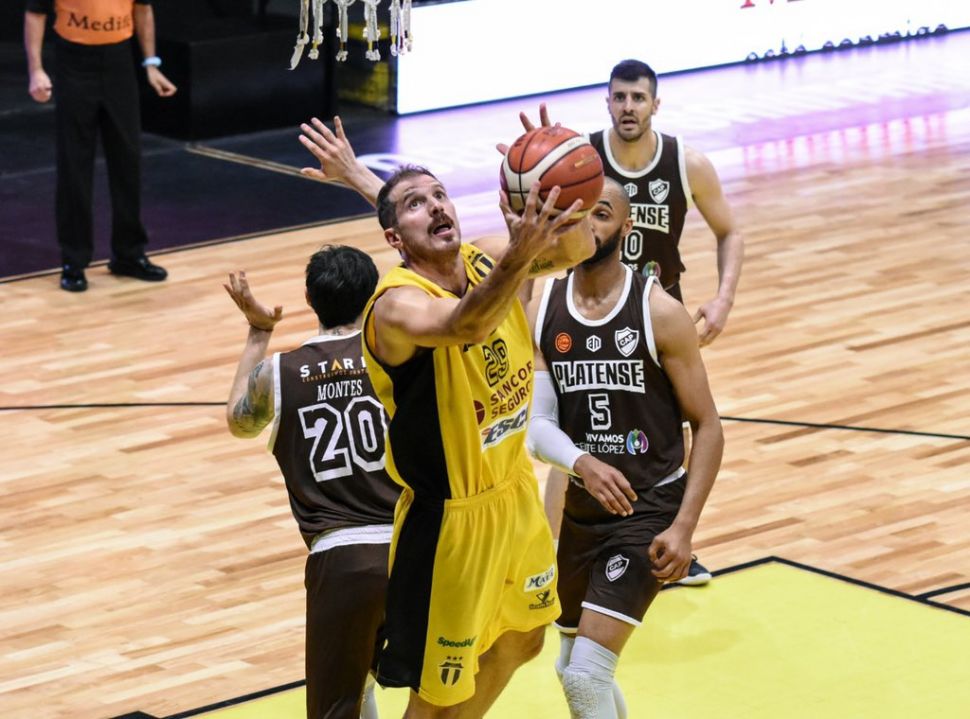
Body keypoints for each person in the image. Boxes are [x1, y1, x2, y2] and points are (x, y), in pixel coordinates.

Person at [299, 116, 595, 718]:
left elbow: (582, 246)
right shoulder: (396, 306)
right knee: (437, 695)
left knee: (525, 638)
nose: (436, 206)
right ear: (393, 237)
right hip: (449, 524)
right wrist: (522, 252)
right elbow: (466, 324)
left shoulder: (486, 260)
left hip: (514, 492)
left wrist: (555, 185)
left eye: (441, 195)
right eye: (417, 203)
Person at [526, 177, 724, 718]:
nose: (589, 224)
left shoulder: (659, 312)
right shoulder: (544, 309)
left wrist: (684, 527)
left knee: (586, 676)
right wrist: (582, 464)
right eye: (580, 213)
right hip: (582, 510)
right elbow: (537, 426)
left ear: (626, 228)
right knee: (569, 666)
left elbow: (708, 425)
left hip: (648, 508)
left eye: (603, 213)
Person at [539, 58, 742, 584]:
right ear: (607, 102)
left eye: (638, 97)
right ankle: (549, 552)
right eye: (620, 97)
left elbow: (730, 230)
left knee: (673, 430)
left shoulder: (686, 163)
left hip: (654, 311)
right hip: (584, 309)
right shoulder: (582, 161)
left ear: (656, 103)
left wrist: (722, 299)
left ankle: (671, 542)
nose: (628, 107)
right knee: (573, 431)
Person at [224, 246, 401, 719]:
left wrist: (259, 331)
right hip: (417, 547)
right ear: (373, 296)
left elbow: (239, 422)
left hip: (343, 560)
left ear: (309, 298)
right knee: (422, 696)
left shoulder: (278, 374)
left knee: (335, 706)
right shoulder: (399, 357)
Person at [24, 0, 176, 292]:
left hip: (119, 60)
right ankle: (74, 260)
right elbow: (35, 14)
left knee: (127, 159)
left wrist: (151, 63)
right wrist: (36, 70)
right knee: (74, 164)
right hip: (74, 62)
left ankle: (129, 254)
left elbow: (143, 9)